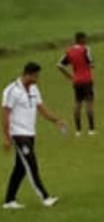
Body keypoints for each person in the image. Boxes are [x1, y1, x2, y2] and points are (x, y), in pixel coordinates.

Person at [2, 63, 63, 210]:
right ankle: (45, 198)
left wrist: (55, 120)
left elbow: (40, 108)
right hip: (18, 134)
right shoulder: (12, 90)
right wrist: (6, 136)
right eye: (35, 76)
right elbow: (5, 113)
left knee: (20, 168)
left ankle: (9, 200)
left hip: (30, 133)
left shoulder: (34, 89)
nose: (37, 79)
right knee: (31, 164)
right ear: (28, 74)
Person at [57, 32, 96, 137]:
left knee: (77, 103)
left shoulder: (69, 51)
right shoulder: (85, 49)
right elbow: (91, 63)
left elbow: (60, 65)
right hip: (86, 80)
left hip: (76, 80)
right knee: (89, 103)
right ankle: (91, 129)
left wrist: (69, 76)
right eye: (85, 39)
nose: (86, 41)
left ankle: (78, 131)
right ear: (81, 39)